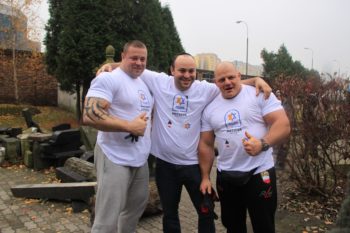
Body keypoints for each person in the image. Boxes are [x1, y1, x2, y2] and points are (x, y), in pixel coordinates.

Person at [98, 53, 272, 233]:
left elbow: (228, 83)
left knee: (205, 211)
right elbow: (135, 64)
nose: (187, 75)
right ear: (172, 70)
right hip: (165, 165)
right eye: (182, 70)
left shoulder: (205, 89)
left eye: (191, 71)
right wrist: (111, 66)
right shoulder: (159, 81)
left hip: (193, 165)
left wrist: (256, 80)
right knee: (170, 213)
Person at [198, 62, 290, 233]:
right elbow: (206, 144)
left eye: (231, 77)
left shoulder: (259, 94)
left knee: (264, 226)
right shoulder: (209, 108)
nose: (227, 82)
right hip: (227, 175)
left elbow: (283, 124)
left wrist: (262, 143)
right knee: (233, 227)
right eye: (222, 79)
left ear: (239, 76)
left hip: (259, 172)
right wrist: (205, 177)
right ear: (215, 82)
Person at [83, 40, 154, 233]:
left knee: (134, 210)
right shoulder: (109, 79)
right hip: (114, 156)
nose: (139, 62)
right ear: (123, 56)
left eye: (142, 59)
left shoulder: (144, 82)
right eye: (134, 58)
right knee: (107, 219)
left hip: (140, 159)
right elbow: (89, 114)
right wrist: (129, 126)